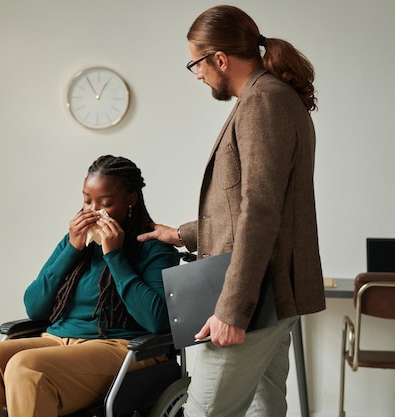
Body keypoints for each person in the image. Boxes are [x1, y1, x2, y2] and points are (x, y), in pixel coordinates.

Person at [137, 5, 326, 416]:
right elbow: (248, 203)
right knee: (265, 406)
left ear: (219, 59)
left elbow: (259, 210)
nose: (198, 74)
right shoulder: (273, 97)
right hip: (276, 293)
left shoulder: (263, 102)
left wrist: (231, 309)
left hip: (256, 297)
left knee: (206, 410)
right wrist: (182, 234)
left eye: (196, 64)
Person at [0, 155, 180, 417]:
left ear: (130, 200)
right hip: (57, 342)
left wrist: (115, 257)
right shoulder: (75, 243)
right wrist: (72, 250)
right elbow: (35, 308)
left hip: (120, 348)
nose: (93, 211)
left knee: (25, 367)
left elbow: (157, 321)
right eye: (87, 201)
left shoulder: (153, 247)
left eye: (104, 203)